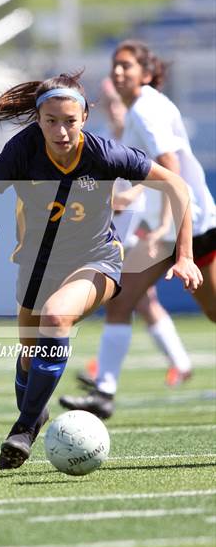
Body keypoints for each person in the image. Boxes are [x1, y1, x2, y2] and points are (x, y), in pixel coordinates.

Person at [0, 71, 202, 470]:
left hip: (96, 260)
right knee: (29, 361)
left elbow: (177, 186)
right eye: (51, 121)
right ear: (38, 119)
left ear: (84, 116)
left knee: (56, 316)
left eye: (70, 120)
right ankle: (34, 413)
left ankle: (25, 426)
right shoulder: (22, 150)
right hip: (35, 265)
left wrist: (183, 255)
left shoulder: (104, 153)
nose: (61, 131)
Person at [59, 40, 215, 419]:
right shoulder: (139, 109)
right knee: (122, 298)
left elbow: (170, 169)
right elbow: (151, 173)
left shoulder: (145, 109)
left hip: (191, 226)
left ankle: (105, 391)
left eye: (126, 65)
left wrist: (169, 232)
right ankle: (104, 393)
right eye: (114, 64)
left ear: (146, 73)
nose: (117, 71)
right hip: (173, 229)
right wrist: (131, 197)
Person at [80, 77, 194, 388]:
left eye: (117, 102)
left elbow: (162, 176)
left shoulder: (138, 133)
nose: (114, 110)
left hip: (144, 226)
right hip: (118, 228)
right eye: (108, 103)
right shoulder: (100, 140)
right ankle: (176, 363)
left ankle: (104, 373)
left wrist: (130, 197)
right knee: (138, 298)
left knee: (130, 297)